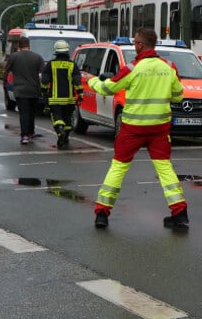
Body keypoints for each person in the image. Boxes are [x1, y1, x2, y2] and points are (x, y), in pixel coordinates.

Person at [90, 28, 189, 230]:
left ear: (140, 45)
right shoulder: (169, 67)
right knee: (165, 170)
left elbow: (108, 88)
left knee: (118, 168)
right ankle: (180, 214)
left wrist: (90, 80)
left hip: (133, 129)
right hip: (159, 129)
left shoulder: (132, 68)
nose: (134, 45)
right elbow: (178, 95)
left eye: (135, 42)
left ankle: (102, 213)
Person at [40, 39, 83, 149]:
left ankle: (60, 132)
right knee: (67, 119)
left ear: (56, 51)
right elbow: (77, 81)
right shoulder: (72, 65)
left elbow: (44, 81)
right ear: (67, 51)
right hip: (69, 99)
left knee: (57, 117)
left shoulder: (50, 64)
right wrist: (80, 95)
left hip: (55, 99)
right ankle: (66, 136)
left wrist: (44, 93)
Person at [4, 36, 45, 145]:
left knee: (24, 113)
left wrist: (5, 83)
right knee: (32, 112)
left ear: (19, 46)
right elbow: (43, 74)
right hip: (34, 90)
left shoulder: (13, 57)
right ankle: (31, 133)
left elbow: (6, 71)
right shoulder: (38, 57)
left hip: (20, 90)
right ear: (29, 45)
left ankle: (25, 135)